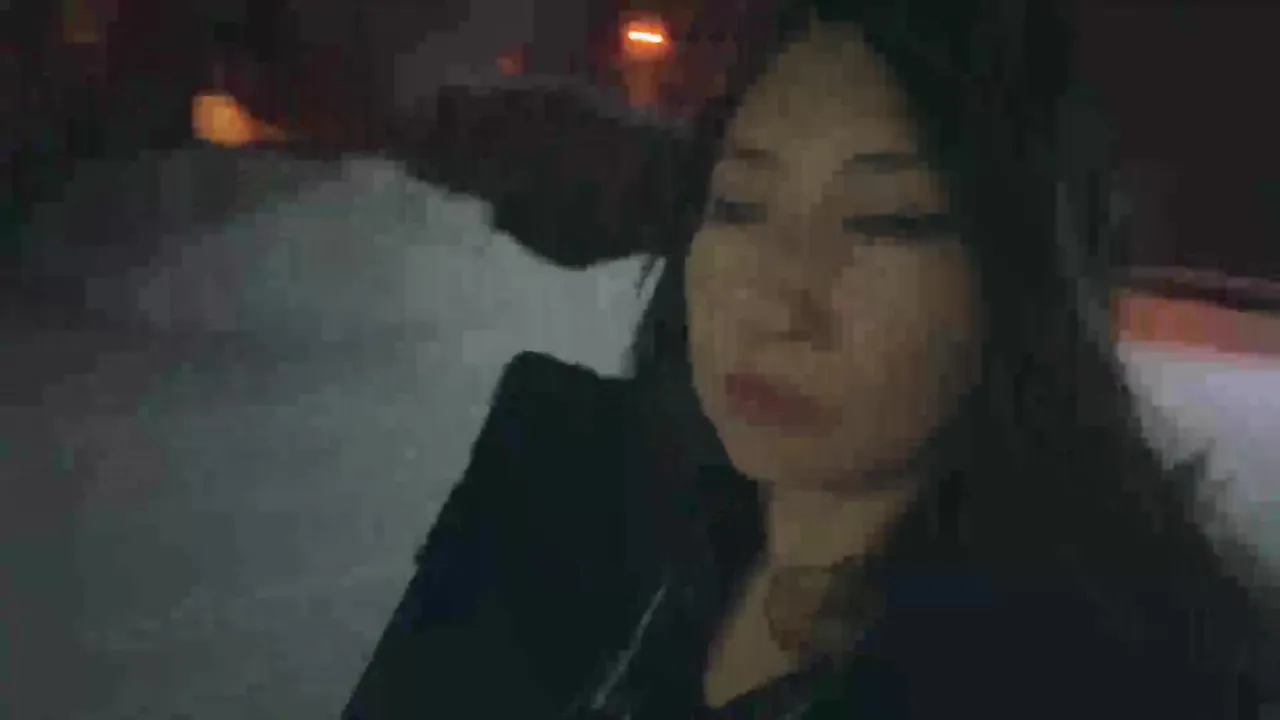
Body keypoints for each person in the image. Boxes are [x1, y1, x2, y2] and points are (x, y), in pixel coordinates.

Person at [344, 0, 1278, 717]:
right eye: (741, 206)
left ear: (1022, 289)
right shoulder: (560, 504)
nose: (775, 300)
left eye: (884, 223)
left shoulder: (1122, 678)